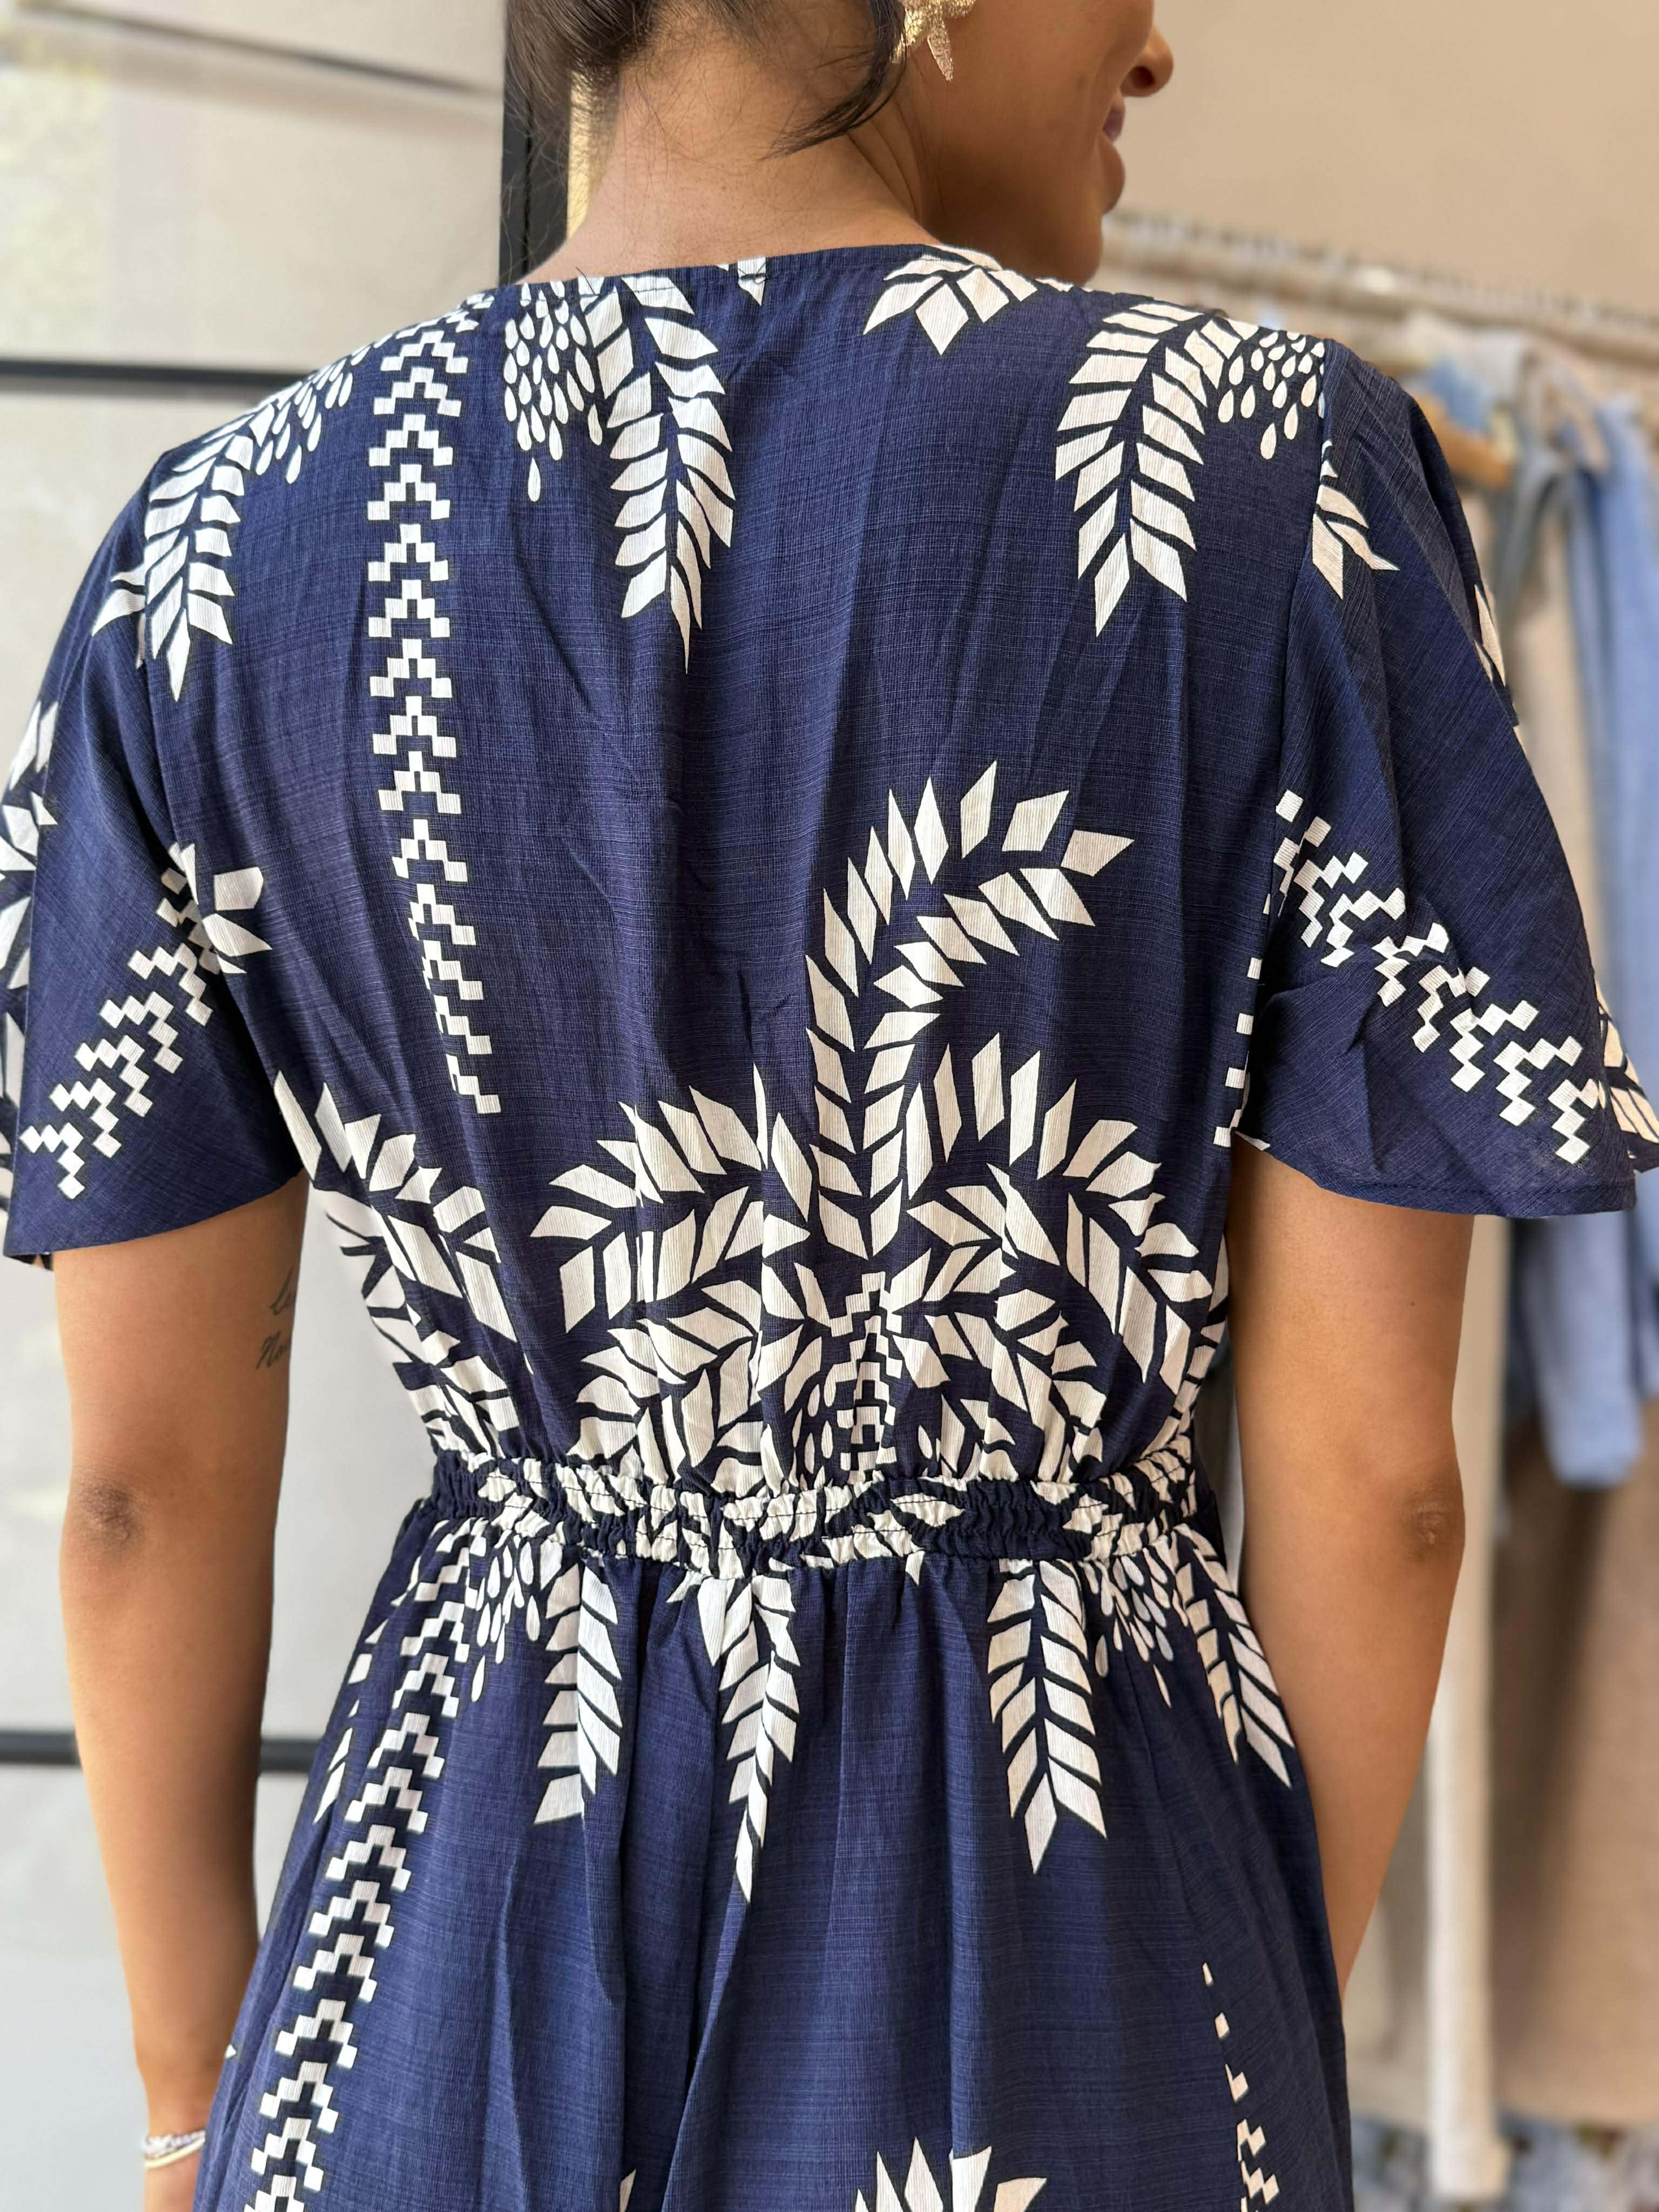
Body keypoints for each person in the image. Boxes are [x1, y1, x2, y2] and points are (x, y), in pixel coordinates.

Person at [5, 0, 1656, 2203]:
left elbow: (140, 1492)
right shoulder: (1275, 475)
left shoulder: (217, 556)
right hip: (1070, 1944)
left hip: (450, 1956)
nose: (1156, 46)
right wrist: (1244, 2010)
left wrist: (189, 2108)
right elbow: (1380, 1488)